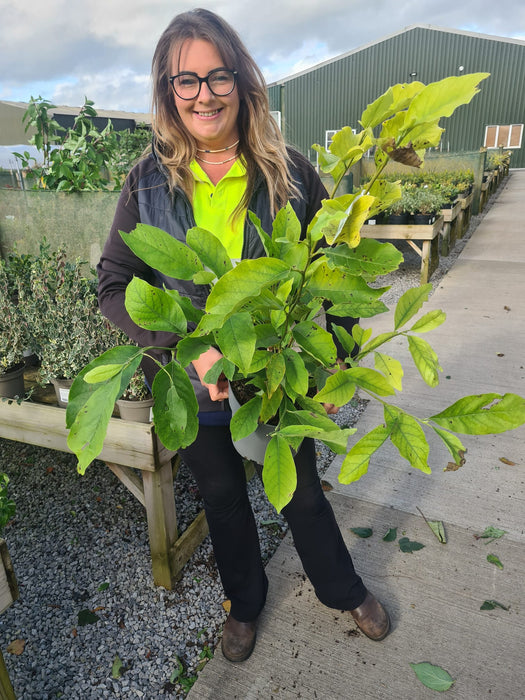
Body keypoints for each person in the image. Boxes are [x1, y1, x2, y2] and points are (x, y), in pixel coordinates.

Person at [97, 7, 390, 662]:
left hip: (276, 375)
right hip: (191, 380)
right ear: (168, 91)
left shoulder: (288, 172)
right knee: (224, 500)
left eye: (217, 75)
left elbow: (330, 271)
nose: (204, 93)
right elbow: (113, 285)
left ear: (242, 80)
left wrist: (340, 358)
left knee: (301, 494)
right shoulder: (145, 182)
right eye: (186, 81)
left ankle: (341, 590)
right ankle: (244, 604)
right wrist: (182, 349)